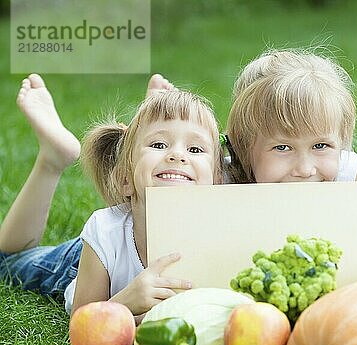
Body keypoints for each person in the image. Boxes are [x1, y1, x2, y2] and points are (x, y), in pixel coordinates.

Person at [0, 74, 221, 321]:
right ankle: (52, 160)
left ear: (216, 181)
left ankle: (144, 140)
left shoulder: (221, 233)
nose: (178, 155)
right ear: (124, 181)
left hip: (129, 225)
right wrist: (124, 303)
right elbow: (82, 326)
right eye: (160, 145)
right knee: (7, 262)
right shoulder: (104, 230)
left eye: (195, 149)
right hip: (85, 263)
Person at [224, 49, 357, 184]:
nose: (305, 170)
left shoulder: (346, 179)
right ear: (242, 148)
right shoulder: (221, 182)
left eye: (320, 145)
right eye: (282, 148)